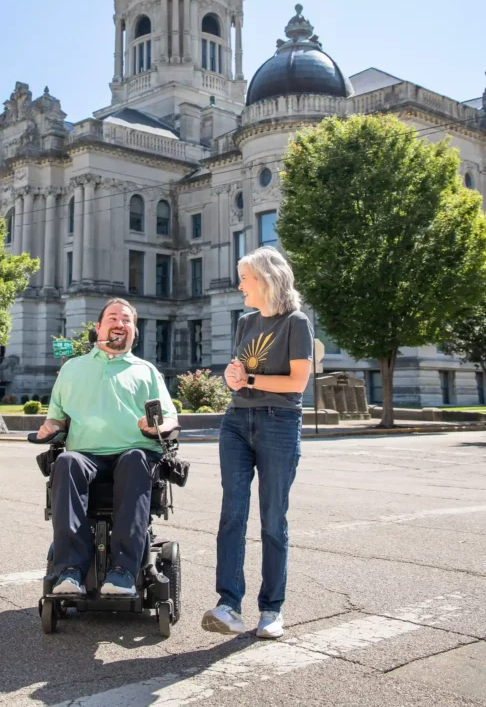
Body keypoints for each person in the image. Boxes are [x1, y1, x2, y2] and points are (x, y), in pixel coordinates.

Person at [202, 246, 312, 639]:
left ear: (266, 280)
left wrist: (248, 380)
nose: (239, 284)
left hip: (278, 422)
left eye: (245, 278)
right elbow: (240, 370)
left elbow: (297, 383)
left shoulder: (296, 323)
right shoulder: (245, 322)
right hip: (236, 420)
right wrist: (235, 379)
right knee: (232, 513)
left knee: (272, 518)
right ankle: (229, 605)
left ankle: (271, 610)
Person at [37, 298, 177, 597]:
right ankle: (70, 571)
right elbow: (57, 420)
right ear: (98, 327)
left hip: (134, 454)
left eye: (127, 320)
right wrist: (50, 429)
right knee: (67, 462)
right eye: (113, 317)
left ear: (134, 332)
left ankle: (124, 571)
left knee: (136, 459)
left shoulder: (147, 371)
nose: (120, 324)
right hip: (86, 456)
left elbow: (169, 419)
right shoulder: (72, 369)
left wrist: (160, 427)